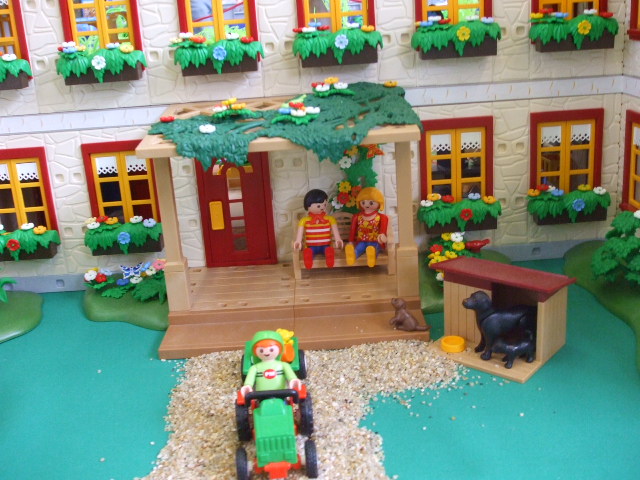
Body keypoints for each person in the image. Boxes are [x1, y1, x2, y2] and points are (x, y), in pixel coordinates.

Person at [240, 330, 301, 397]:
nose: (266, 353)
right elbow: (249, 379)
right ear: (255, 352)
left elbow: (290, 375)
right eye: (261, 350)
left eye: (271, 350)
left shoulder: (283, 365)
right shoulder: (255, 368)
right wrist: (248, 385)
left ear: (280, 349)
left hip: (282, 393)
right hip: (260, 395)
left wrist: (293, 379)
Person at [294, 189, 344, 269]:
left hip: (326, 245)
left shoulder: (330, 219)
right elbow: (299, 233)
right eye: (318, 206)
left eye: (324, 204)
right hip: (311, 246)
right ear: (308, 205)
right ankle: (308, 257)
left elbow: (335, 231)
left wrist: (338, 239)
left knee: (328, 250)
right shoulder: (304, 220)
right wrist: (298, 241)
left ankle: (329, 255)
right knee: (309, 251)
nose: (322, 207)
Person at [345, 187, 388, 267]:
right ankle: (352, 256)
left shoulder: (381, 217)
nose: (367, 205)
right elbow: (353, 230)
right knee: (358, 249)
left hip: (375, 241)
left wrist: (382, 235)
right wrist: (351, 241)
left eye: (371, 203)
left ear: (379, 202)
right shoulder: (357, 217)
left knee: (374, 249)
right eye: (363, 202)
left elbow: (383, 229)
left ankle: (372, 257)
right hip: (362, 241)